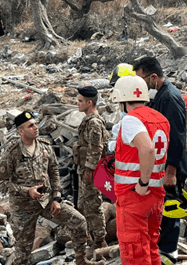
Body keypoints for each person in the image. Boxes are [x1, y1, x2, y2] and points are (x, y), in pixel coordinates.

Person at [0, 111, 101, 265]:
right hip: (23, 208)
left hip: (47, 202)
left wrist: (57, 198)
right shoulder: (12, 153)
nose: (35, 127)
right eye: (30, 126)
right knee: (23, 252)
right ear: (21, 131)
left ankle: (81, 260)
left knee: (79, 222)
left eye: (35, 123)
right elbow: (2, 184)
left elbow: (54, 172)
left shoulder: (44, 146)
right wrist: (27, 191)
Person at [110, 75, 170, 265]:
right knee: (151, 246)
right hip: (156, 194)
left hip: (135, 195)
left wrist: (142, 183)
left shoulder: (131, 120)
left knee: (134, 251)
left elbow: (147, 148)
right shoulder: (160, 118)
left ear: (123, 100)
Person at [132, 56, 187, 265]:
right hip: (161, 166)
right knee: (160, 211)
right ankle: (159, 253)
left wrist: (171, 171)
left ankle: (168, 253)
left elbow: (177, 136)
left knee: (169, 211)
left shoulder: (170, 98)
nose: (140, 86)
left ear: (153, 77)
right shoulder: (159, 96)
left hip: (171, 168)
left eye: (142, 80)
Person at [73, 86, 109, 250]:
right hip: (84, 170)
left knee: (93, 205)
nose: (77, 103)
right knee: (82, 204)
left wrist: (89, 170)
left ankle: (100, 240)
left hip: (92, 172)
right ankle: (88, 237)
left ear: (89, 102)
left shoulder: (94, 122)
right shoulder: (88, 119)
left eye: (80, 101)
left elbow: (96, 148)